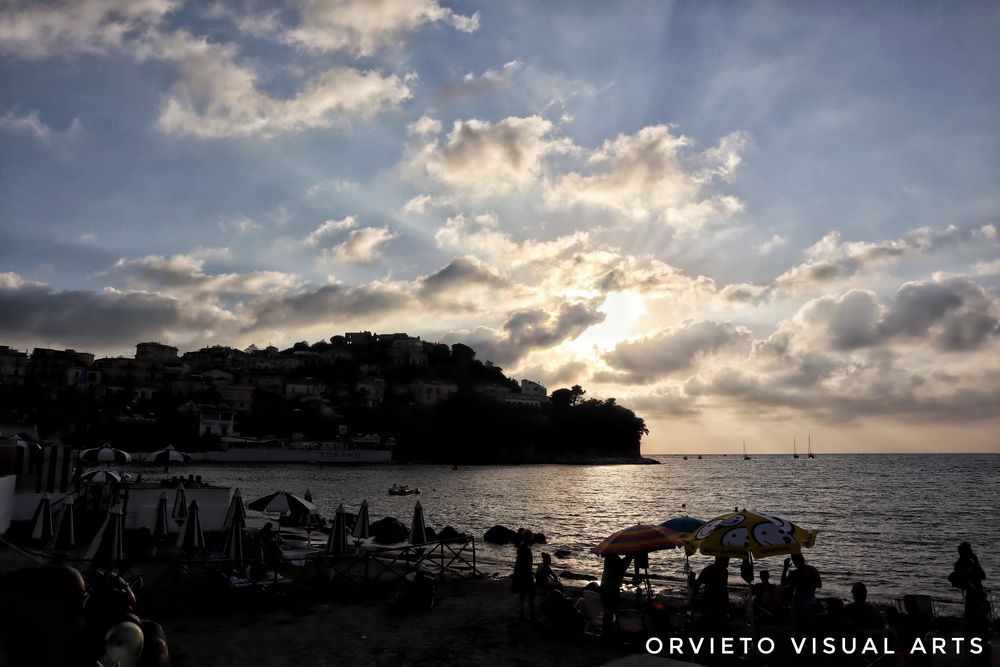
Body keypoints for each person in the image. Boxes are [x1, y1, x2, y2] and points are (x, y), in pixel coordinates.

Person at [782, 553, 822, 626]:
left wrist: (785, 568)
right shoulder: (812, 569)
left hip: (799, 603)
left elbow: (783, 583)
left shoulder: (795, 573)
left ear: (795, 561)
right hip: (812, 600)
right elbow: (819, 585)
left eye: (794, 561)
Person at [600, 553, 633, 637]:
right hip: (610, 587)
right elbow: (619, 569)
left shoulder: (612, 557)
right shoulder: (612, 557)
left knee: (609, 611)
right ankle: (607, 633)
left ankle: (606, 631)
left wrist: (628, 558)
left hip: (607, 586)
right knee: (610, 611)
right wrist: (629, 557)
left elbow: (620, 566)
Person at [693, 557, 730, 622]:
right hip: (711, 601)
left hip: (719, 601)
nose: (728, 561)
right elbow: (697, 585)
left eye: (728, 559)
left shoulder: (724, 571)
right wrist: (695, 600)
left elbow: (697, 585)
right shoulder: (709, 570)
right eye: (727, 559)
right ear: (718, 559)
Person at [511, 535, 536, 622]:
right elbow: (528, 564)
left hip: (520, 574)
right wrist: (530, 574)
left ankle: (522, 614)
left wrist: (516, 574)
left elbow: (517, 563)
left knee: (522, 595)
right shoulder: (527, 549)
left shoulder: (521, 547)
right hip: (526, 575)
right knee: (531, 595)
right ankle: (531, 615)